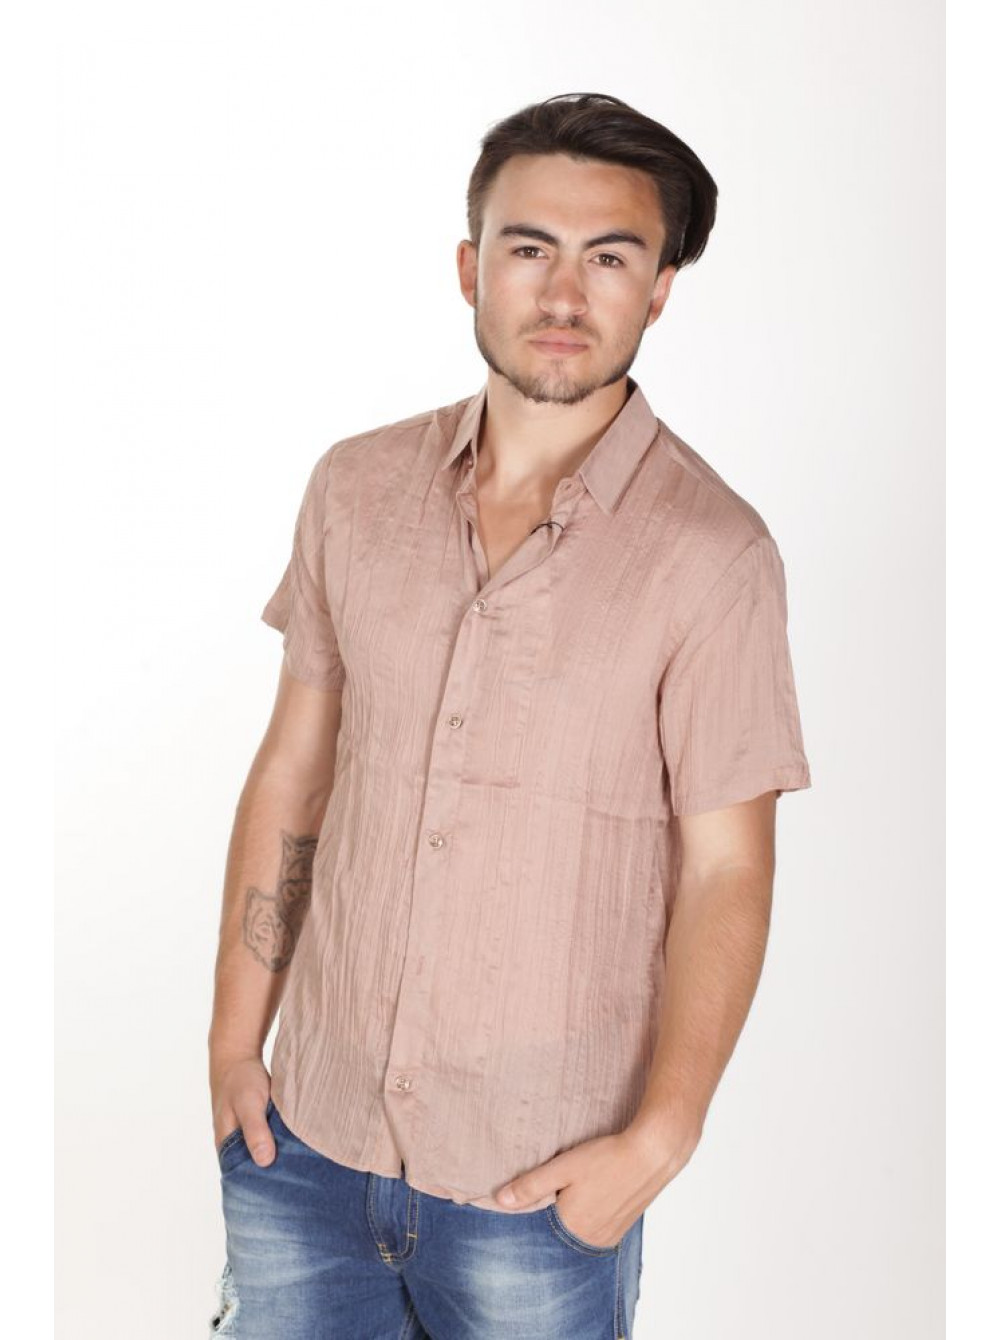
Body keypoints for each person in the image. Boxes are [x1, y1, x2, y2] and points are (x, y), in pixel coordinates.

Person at [206, 91, 812, 1339]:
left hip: (537, 1189)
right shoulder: (354, 488)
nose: (563, 292)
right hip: (305, 1143)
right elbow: (295, 770)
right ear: (470, 266)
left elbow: (726, 870)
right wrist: (230, 1041)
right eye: (530, 248)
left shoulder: (715, 557)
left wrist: (660, 1139)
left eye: (611, 257)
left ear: (660, 290)